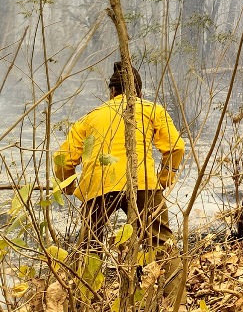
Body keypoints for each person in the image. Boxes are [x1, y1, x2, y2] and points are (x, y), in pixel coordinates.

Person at [54, 61, 186, 300]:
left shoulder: (89, 118)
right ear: (138, 91)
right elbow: (176, 146)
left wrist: (71, 187)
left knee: (90, 243)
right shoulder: (151, 109)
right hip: (143, 183)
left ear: (112, 91)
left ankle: (85, 299)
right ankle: (174, 300)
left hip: (98, 185)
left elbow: (63, 160)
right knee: (161, 240)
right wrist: (166, 176)